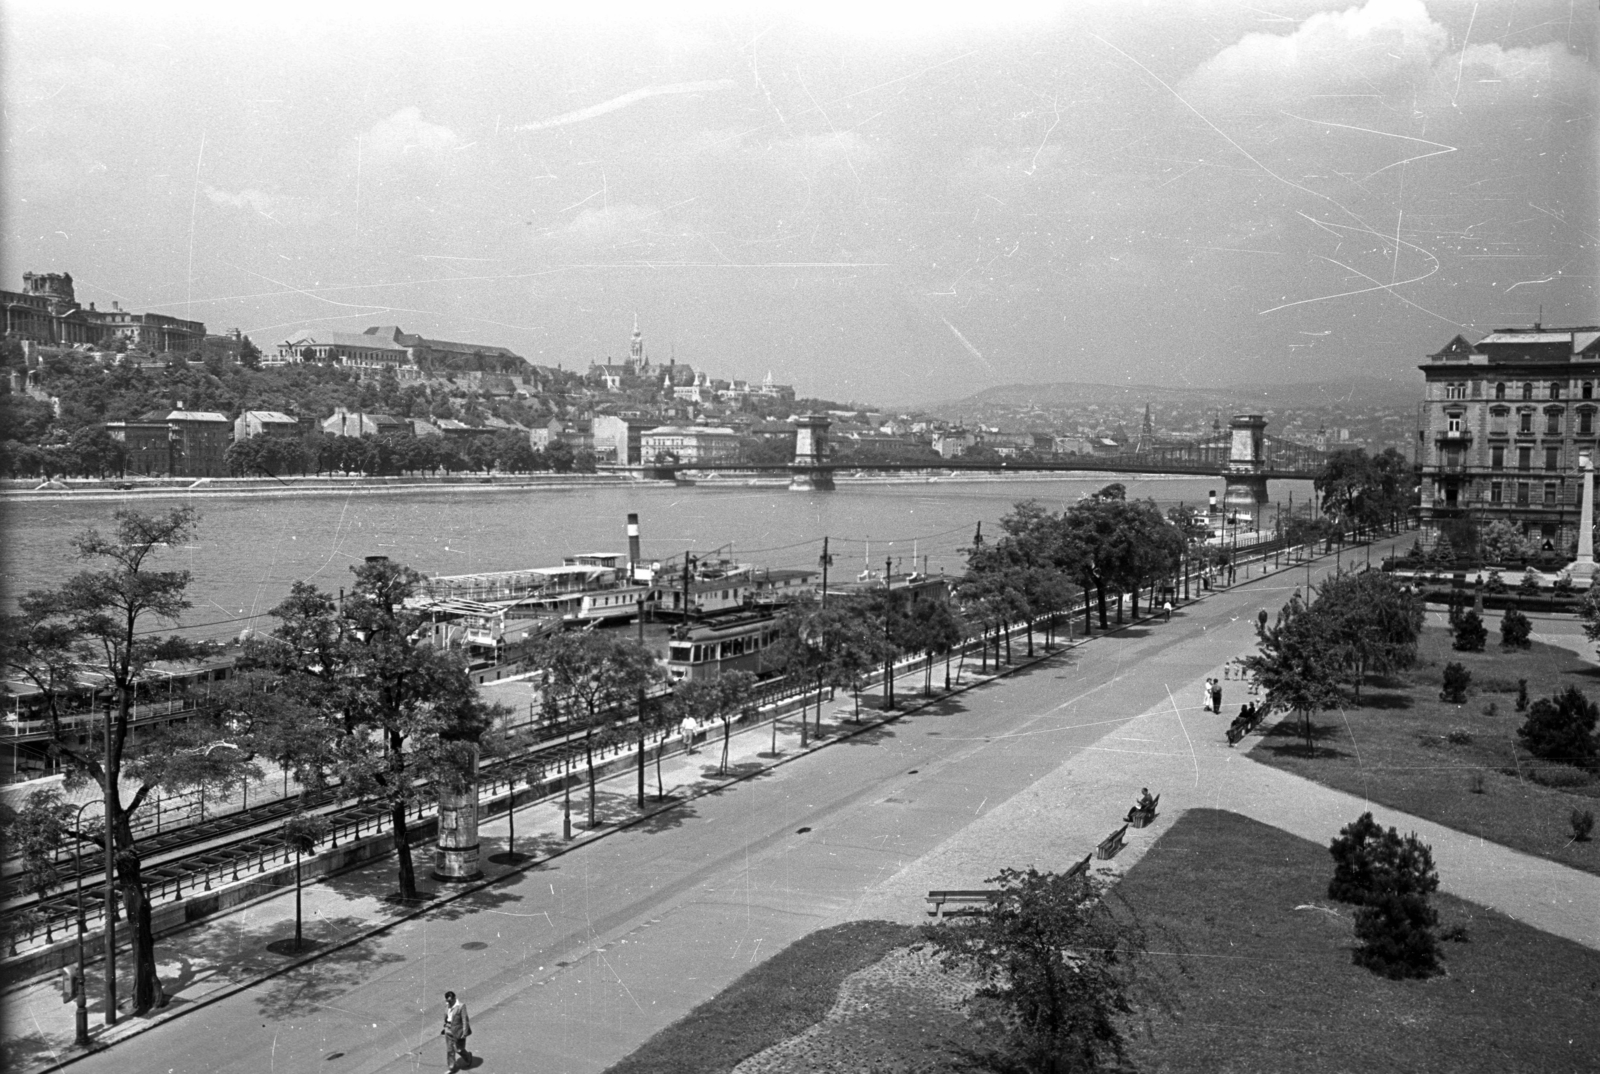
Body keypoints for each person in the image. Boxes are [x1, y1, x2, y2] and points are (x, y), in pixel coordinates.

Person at [442, 991, 471, 1072]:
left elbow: (465, 1020)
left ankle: (468, 1057)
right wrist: (445, 1026)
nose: (449, 1002)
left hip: (458, 1031)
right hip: (448, 1029)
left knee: (459, 1049)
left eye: (450, 1001)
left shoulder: (461, 1006)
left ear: (454, 998)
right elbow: (446, 1016)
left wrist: (465, 1032)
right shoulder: (447, 1005)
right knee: (449, 1050)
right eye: (447, 1001)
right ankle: (451, 1068)